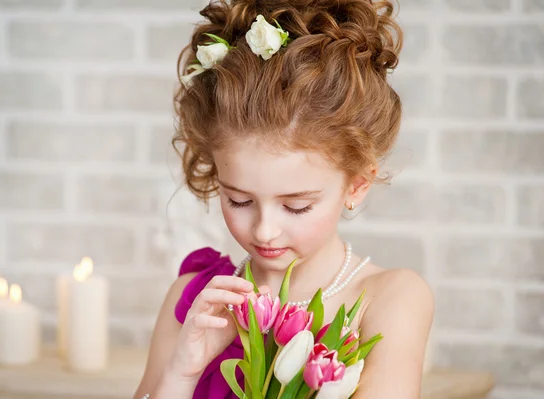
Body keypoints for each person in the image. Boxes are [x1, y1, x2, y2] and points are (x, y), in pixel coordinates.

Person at [134, 0, 434, 397]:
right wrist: (182, 374)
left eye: (296, 206)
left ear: (357, 185)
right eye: (239, 200)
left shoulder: (388, 299)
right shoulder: (194, 300)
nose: (264, 230)